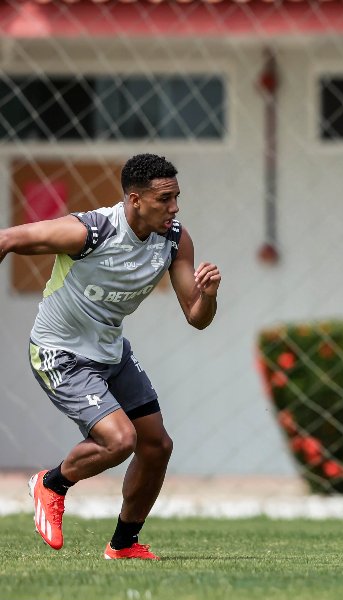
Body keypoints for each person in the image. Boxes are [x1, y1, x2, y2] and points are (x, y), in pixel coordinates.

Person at [0, 153, 221, 560]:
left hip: (110, 350)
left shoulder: (174, 239)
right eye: (164, 199)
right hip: (59, 352)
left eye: (177, 198)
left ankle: (123, 544)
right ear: (134, 200)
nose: (174, 208)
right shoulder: (91, 232)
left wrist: (207, 296)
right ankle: (51, 484)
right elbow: (7, 239)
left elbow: (196, 318)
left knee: (156, 446)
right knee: (120, 440)